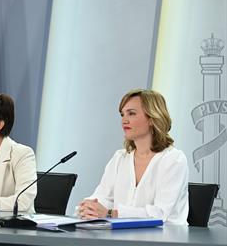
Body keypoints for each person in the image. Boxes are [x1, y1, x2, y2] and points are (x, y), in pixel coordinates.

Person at [78, 89, 189, 224]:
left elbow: (160, 214)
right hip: (122, 237)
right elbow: (103, 196)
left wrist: (111, 213)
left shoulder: (174, 160)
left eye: (131, 113)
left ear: (152, 119)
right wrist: (89, 206)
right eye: (122, 114)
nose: (124, 120)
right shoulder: (120, 158)